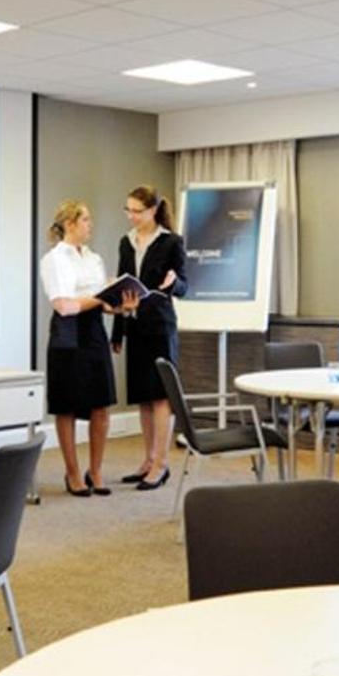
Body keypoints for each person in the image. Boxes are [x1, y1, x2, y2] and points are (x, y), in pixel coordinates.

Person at [39, 200, 123, 498]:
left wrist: (121, 305)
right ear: (70, 223)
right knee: (68, 405)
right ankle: (72, 472)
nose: (91, 224)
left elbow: (103, 303)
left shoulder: (94, 258)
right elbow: (64, 305)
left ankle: (96, 471)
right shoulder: (54, 259)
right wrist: (100, 298)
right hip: (67, 333)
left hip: (94, 331)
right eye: (86, 219)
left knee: (101, 403)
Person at [112, 185, 189, 490]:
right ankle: (147, 460)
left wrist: (172, 284)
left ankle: (161, 464)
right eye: (127, 210)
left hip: (160, 326)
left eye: (137, 211)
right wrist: (118, 330)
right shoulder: (125, 242)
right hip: (134, 325)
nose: (131, 216)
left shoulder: (171, 241)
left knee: (160, 397)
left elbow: (185, 286)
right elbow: (122, 286)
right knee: (143, 397)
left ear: (153, 210)